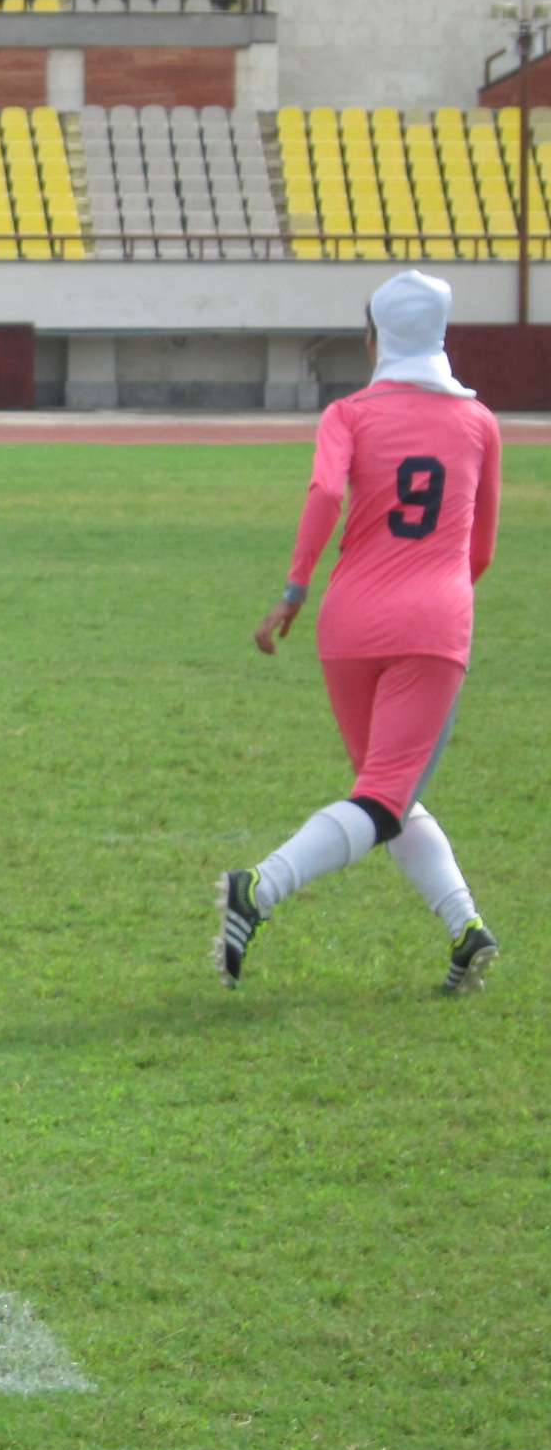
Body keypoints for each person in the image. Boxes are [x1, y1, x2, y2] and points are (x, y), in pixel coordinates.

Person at [218, 271, 501, 995]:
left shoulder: (347, 413)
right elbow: (480, 554)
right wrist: (437, 603)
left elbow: (322, 494)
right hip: (434, 620)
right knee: (382, 798)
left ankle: (468, 932)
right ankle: (258, 888)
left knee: (385, 795)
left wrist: (293, 591)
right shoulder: (480, 423)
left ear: (375, 337)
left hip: (349, 620)